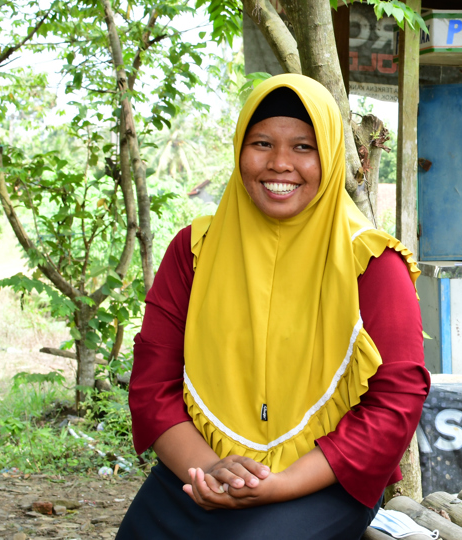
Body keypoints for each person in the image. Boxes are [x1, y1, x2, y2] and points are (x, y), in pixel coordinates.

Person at [117, 74, 429, 539]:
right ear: (240, 151)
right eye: (261, 143)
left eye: (304, 147)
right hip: (200, 468)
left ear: (330, 154)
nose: (280, 163)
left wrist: (279, 484)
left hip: (324, 479)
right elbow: (152, 385)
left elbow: (395, 402)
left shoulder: (372, 261)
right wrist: (210, 471)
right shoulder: (194, 251)